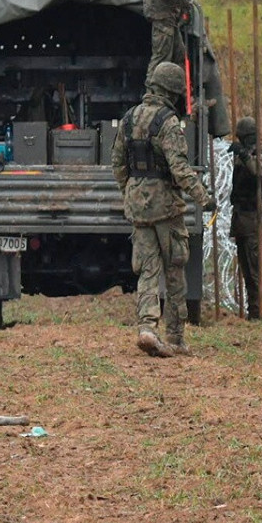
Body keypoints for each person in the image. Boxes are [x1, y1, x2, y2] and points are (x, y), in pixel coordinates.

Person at [111, 61, 215, 358]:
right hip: (166, 208)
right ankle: (176, 337)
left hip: (138, 206)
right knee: (174, 268)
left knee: (146, 269)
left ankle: (146, 327)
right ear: (172, 90)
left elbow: (118, 164)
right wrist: (203, 197)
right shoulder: (168, 122)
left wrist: (130, 192)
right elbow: (180, 169)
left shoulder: (129, 118)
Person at [229, 116, 262, 322]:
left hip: (253, 218)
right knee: (248, 271)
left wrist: (246, 155)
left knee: (258, 271)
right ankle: (254, 313)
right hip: (241, 218)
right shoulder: (245, 155)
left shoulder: (259, 155)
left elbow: (260, 172)